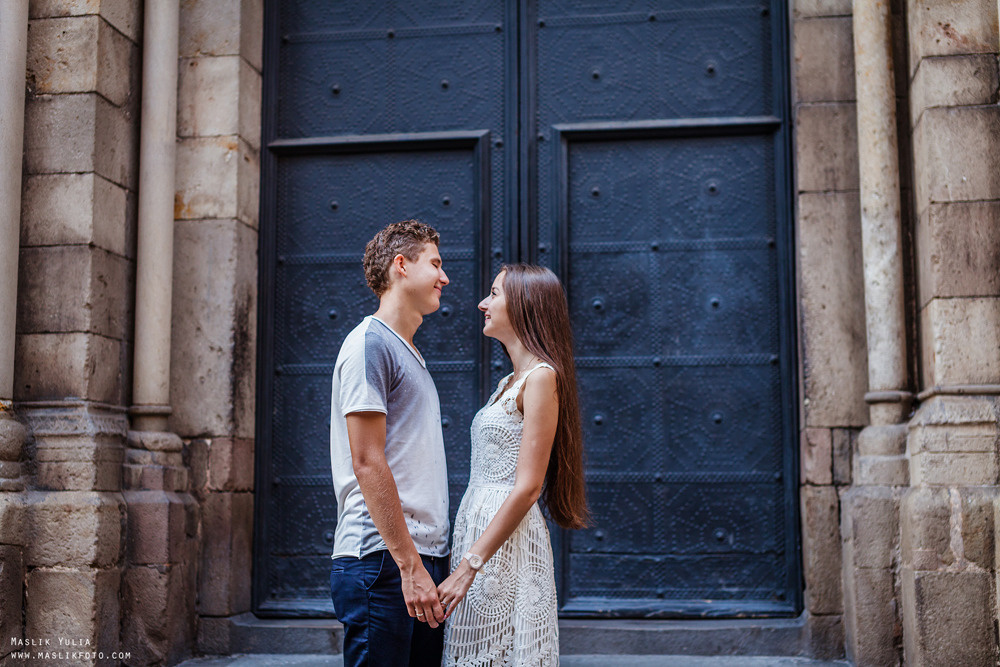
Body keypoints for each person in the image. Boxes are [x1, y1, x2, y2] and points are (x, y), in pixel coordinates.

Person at [439, 264, 589, 666]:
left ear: (525, 304)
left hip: (506, 542)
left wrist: (469, 566)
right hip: (481, 529)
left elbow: (527, 487)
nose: (482, 303)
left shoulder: (541, 377)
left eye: (494, 293)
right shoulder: (509, 381)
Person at [329, 219, 451, 667]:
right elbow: (366, 461)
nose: (444, 277)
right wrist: (409, 566)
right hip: (381, 561)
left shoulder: (408, 351)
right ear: (402, 265)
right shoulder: (370, 344)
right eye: (435, 264)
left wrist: (425, 563)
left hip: (418, 559)